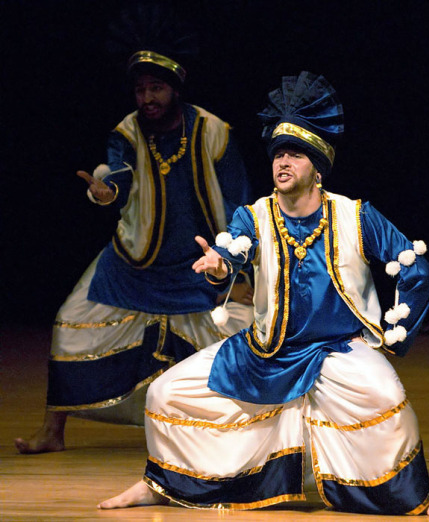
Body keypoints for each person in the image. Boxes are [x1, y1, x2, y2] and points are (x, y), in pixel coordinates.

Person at [97, 72, 429, 516]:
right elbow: (232, 248)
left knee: (385, 396)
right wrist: (219, 265)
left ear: (317, 168)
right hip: (265, 349)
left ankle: (415, 493)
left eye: (296, 155)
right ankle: (161, 483)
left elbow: (416, 267)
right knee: (165, 393)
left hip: (337, 349)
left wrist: (396, 330)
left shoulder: (355, 216)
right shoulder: (256, 216)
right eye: (278, 154)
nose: (283, 162)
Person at [15, 47, 253, 454]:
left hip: (199, 261)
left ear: (175, 90)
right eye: (140, 90)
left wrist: (237, 265)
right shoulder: (126, 132)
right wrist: (107, 193)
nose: (147, 99)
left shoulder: (214, 131)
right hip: (134, 259)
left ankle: (246, 432)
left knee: (240, 335)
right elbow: (118, 173)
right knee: (69, 325)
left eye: (156, 88)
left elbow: (238, 201)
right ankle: (53, 431)